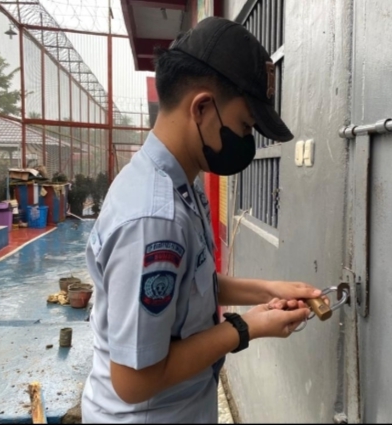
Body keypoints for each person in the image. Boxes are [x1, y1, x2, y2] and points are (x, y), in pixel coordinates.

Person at [81, 17, 324, 423]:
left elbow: (193, 284)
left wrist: (269, 290)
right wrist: (244, 328)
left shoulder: (182, 184)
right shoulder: (154, 219)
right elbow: (133, 381)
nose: (246, 140)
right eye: (245, 125)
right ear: (202, 108)